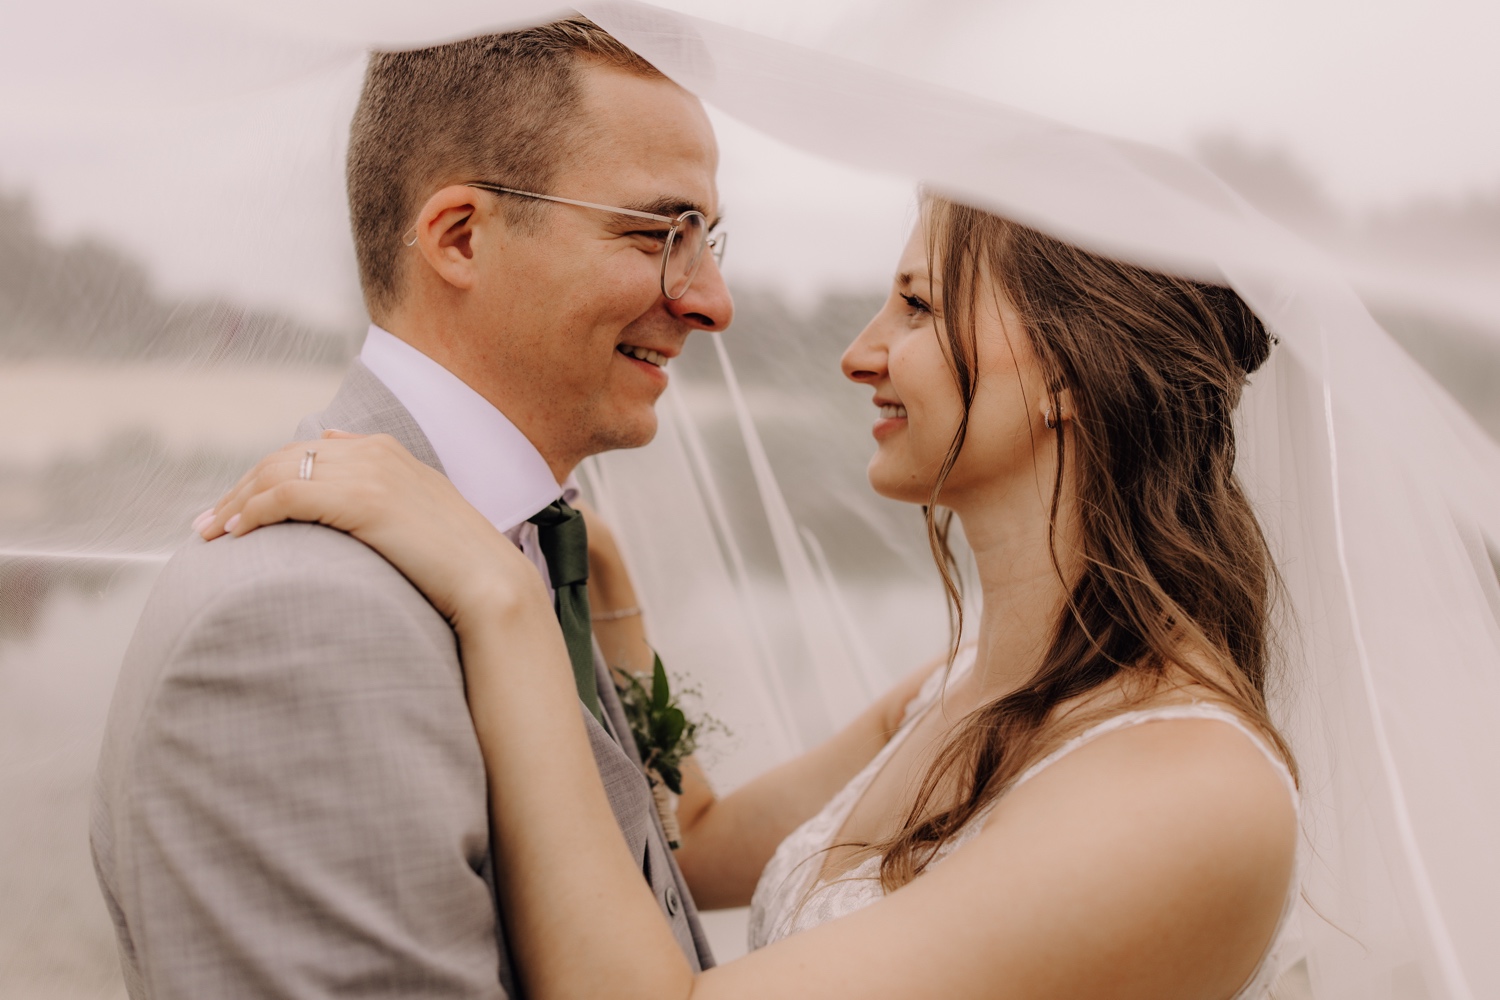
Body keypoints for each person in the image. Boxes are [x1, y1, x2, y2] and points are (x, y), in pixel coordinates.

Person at [205, 191, 1303, 999]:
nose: (860, 352)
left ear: (1068, 370)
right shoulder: (966, 683)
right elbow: (701, 837)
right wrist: (596, 595)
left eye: (916, 307)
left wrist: (498, 602)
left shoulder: (1187, 790)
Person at [89, 18, 734, 998]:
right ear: (460, 237)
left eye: (707, 240)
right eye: (659, 233)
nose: (711, 300)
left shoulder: (528, 551)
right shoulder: (303, 626)